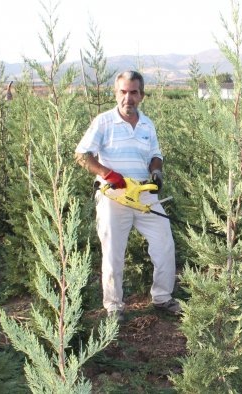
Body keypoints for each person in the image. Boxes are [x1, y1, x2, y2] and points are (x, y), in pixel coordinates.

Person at [74, 70, 180, 321]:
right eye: (123, 92)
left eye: (134, 92)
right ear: (116, 93)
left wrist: (156, 171)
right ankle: (113, 306)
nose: (128, 98)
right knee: (113, 251)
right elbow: (82, 154)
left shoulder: (147, 124)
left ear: (142, 95)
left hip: (143, 193)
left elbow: (156, 154)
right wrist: (107, 174)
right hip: (114, 196)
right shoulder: (103, 122)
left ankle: (163, 298)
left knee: (164, 243)